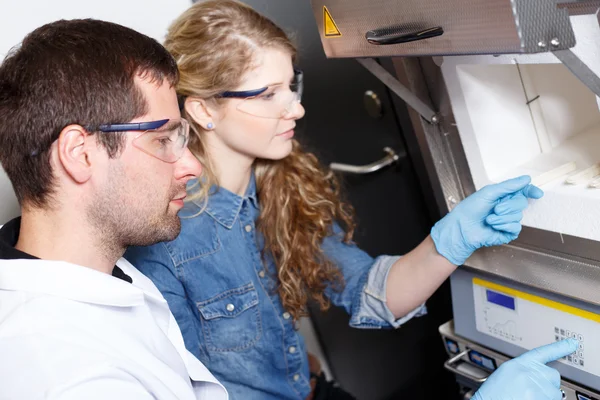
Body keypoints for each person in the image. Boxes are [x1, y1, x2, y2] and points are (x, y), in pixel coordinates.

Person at [124, 1, 577, 399]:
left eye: (291, 85)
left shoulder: (281, 186)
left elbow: (371, 295)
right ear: (203, 109)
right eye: (267, 95)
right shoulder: (166, 234)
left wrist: (450, 241)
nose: (296, 108)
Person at [0, 19, 227, 400]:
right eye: (162, 140)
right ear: (80, 154)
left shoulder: (97, 266)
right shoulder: (66, 376)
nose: (192, 167)